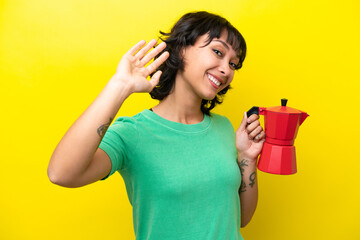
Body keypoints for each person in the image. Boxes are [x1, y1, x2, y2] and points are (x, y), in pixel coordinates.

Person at [48, 11, 265, 240]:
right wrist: (120, 86)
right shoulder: (132, 134)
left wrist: (247, 158)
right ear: (181, 48)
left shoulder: (224, 127)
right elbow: (61, 173)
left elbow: (241, 219)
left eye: (233, 64)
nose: (226, 70)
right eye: (218, 52)